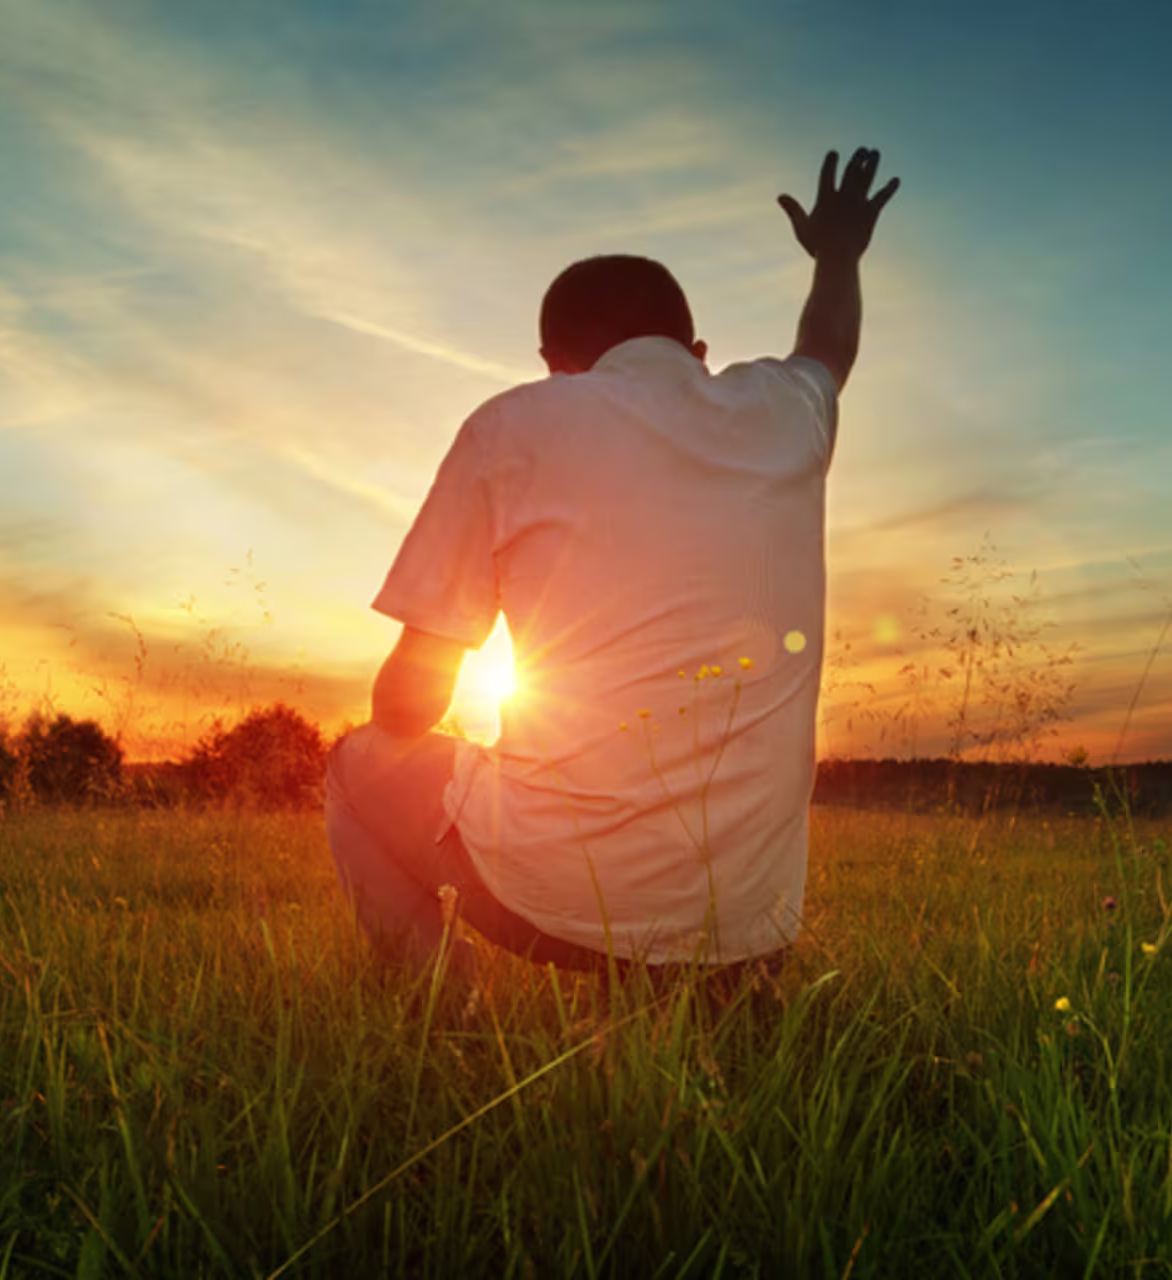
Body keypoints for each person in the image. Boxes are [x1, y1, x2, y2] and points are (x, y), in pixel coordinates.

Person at [324, 147, 900, 990]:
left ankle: (440, 1006)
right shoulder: (785, 410)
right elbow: (828, 348)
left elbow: (406, 707)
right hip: (752, 925)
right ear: (697, 351)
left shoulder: (510, 425)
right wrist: (839, 255)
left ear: (552, 362)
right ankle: (713, 991)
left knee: (355, 760)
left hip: (554, 909)